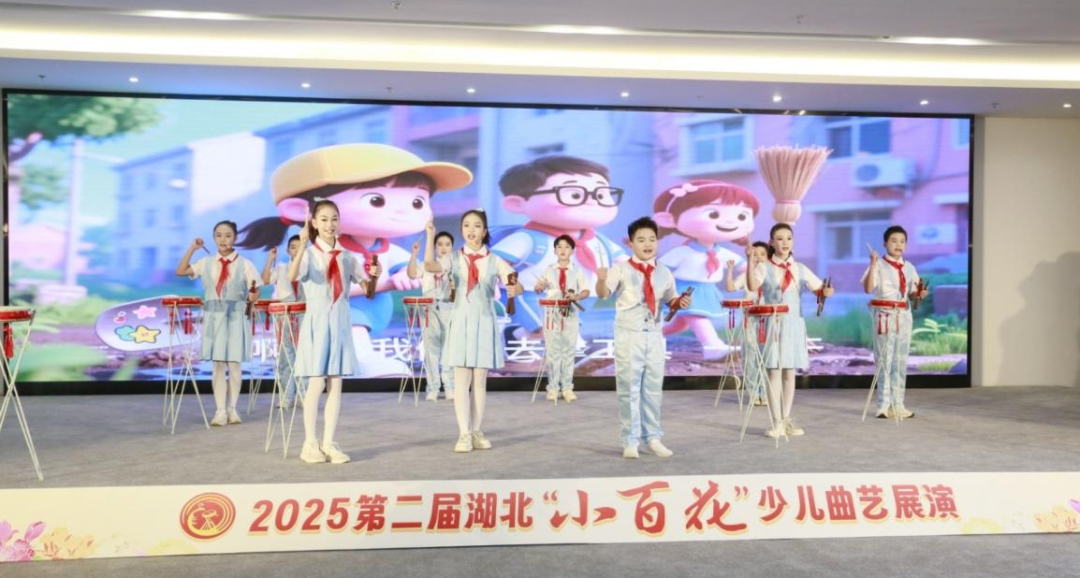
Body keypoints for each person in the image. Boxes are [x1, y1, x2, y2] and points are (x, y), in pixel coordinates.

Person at [424, 210, 522, 453]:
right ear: (461, 230)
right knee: (461, 380)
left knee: (479, 380)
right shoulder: (454, 258)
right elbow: (430, 266)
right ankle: (463, 433)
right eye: (466, 225)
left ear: (484, 231)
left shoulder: (494, 260)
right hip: (460, 322)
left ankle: (476, 430)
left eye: (477, 225)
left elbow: (515, 284)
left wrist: (514, 289)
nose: (471, 230)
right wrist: (429, 237)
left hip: (484, 322)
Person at [596, 217, 691, 459]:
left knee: (653, 388)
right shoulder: (620, 269)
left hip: (654, 335)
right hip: (629, 335)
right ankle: (630, 440)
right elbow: (604, 293)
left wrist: (680, 302)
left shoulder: (664, 271)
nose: (647, 244)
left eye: (652, 239)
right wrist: (601, 279)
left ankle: (653, 438)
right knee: (628, 388)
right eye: (641, 240)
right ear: (631, 243)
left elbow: (670, 299)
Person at [175, 220, 261, 426]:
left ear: (235, 238)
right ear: (214, 238)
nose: (223, 239)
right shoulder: (206, 262)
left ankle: (233, 409)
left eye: (228, 235)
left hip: (236, 316)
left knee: (234, 363)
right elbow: (181, 270)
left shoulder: (245, 264)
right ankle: (220, 410)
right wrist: (192, 248)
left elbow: (256, 290)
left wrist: (253, 296)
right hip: (214, 317)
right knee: (218, 364)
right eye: (219, 235)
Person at [862, 225, 928, 419]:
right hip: (884, 314)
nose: (898, 245)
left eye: (902, 241)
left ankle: (898, 404)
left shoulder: (909, 267)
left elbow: (913, 293)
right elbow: (868, 288)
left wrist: (920, 294)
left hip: (904, 314)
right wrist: (873, 263)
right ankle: (883, 405)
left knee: (900, 360)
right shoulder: (879, 264)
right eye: (894, 241)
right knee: (884, 359)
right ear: (885, 244)